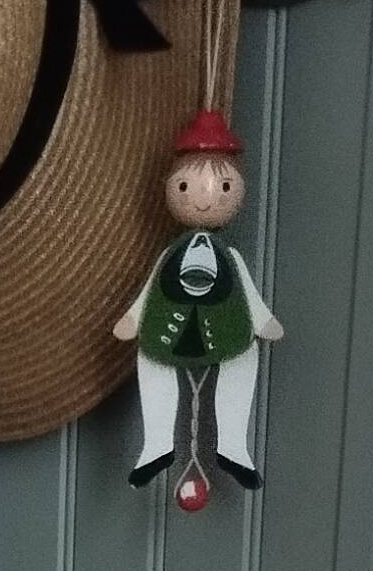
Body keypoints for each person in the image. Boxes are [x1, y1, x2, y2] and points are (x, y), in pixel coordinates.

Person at [115, 105, 281, 507]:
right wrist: (134, 317)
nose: (204, 200)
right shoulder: (169, 256)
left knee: (243, 359)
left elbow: (246, 290)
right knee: (151, 364)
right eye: (187, 187)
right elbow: (150, 287)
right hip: (169, 333)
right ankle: (156, 446)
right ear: (174, 186)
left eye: (222, 188)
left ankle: (232, 447)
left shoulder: (230, 258)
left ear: (235, 190)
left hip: (221, 331)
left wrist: (262, 319)